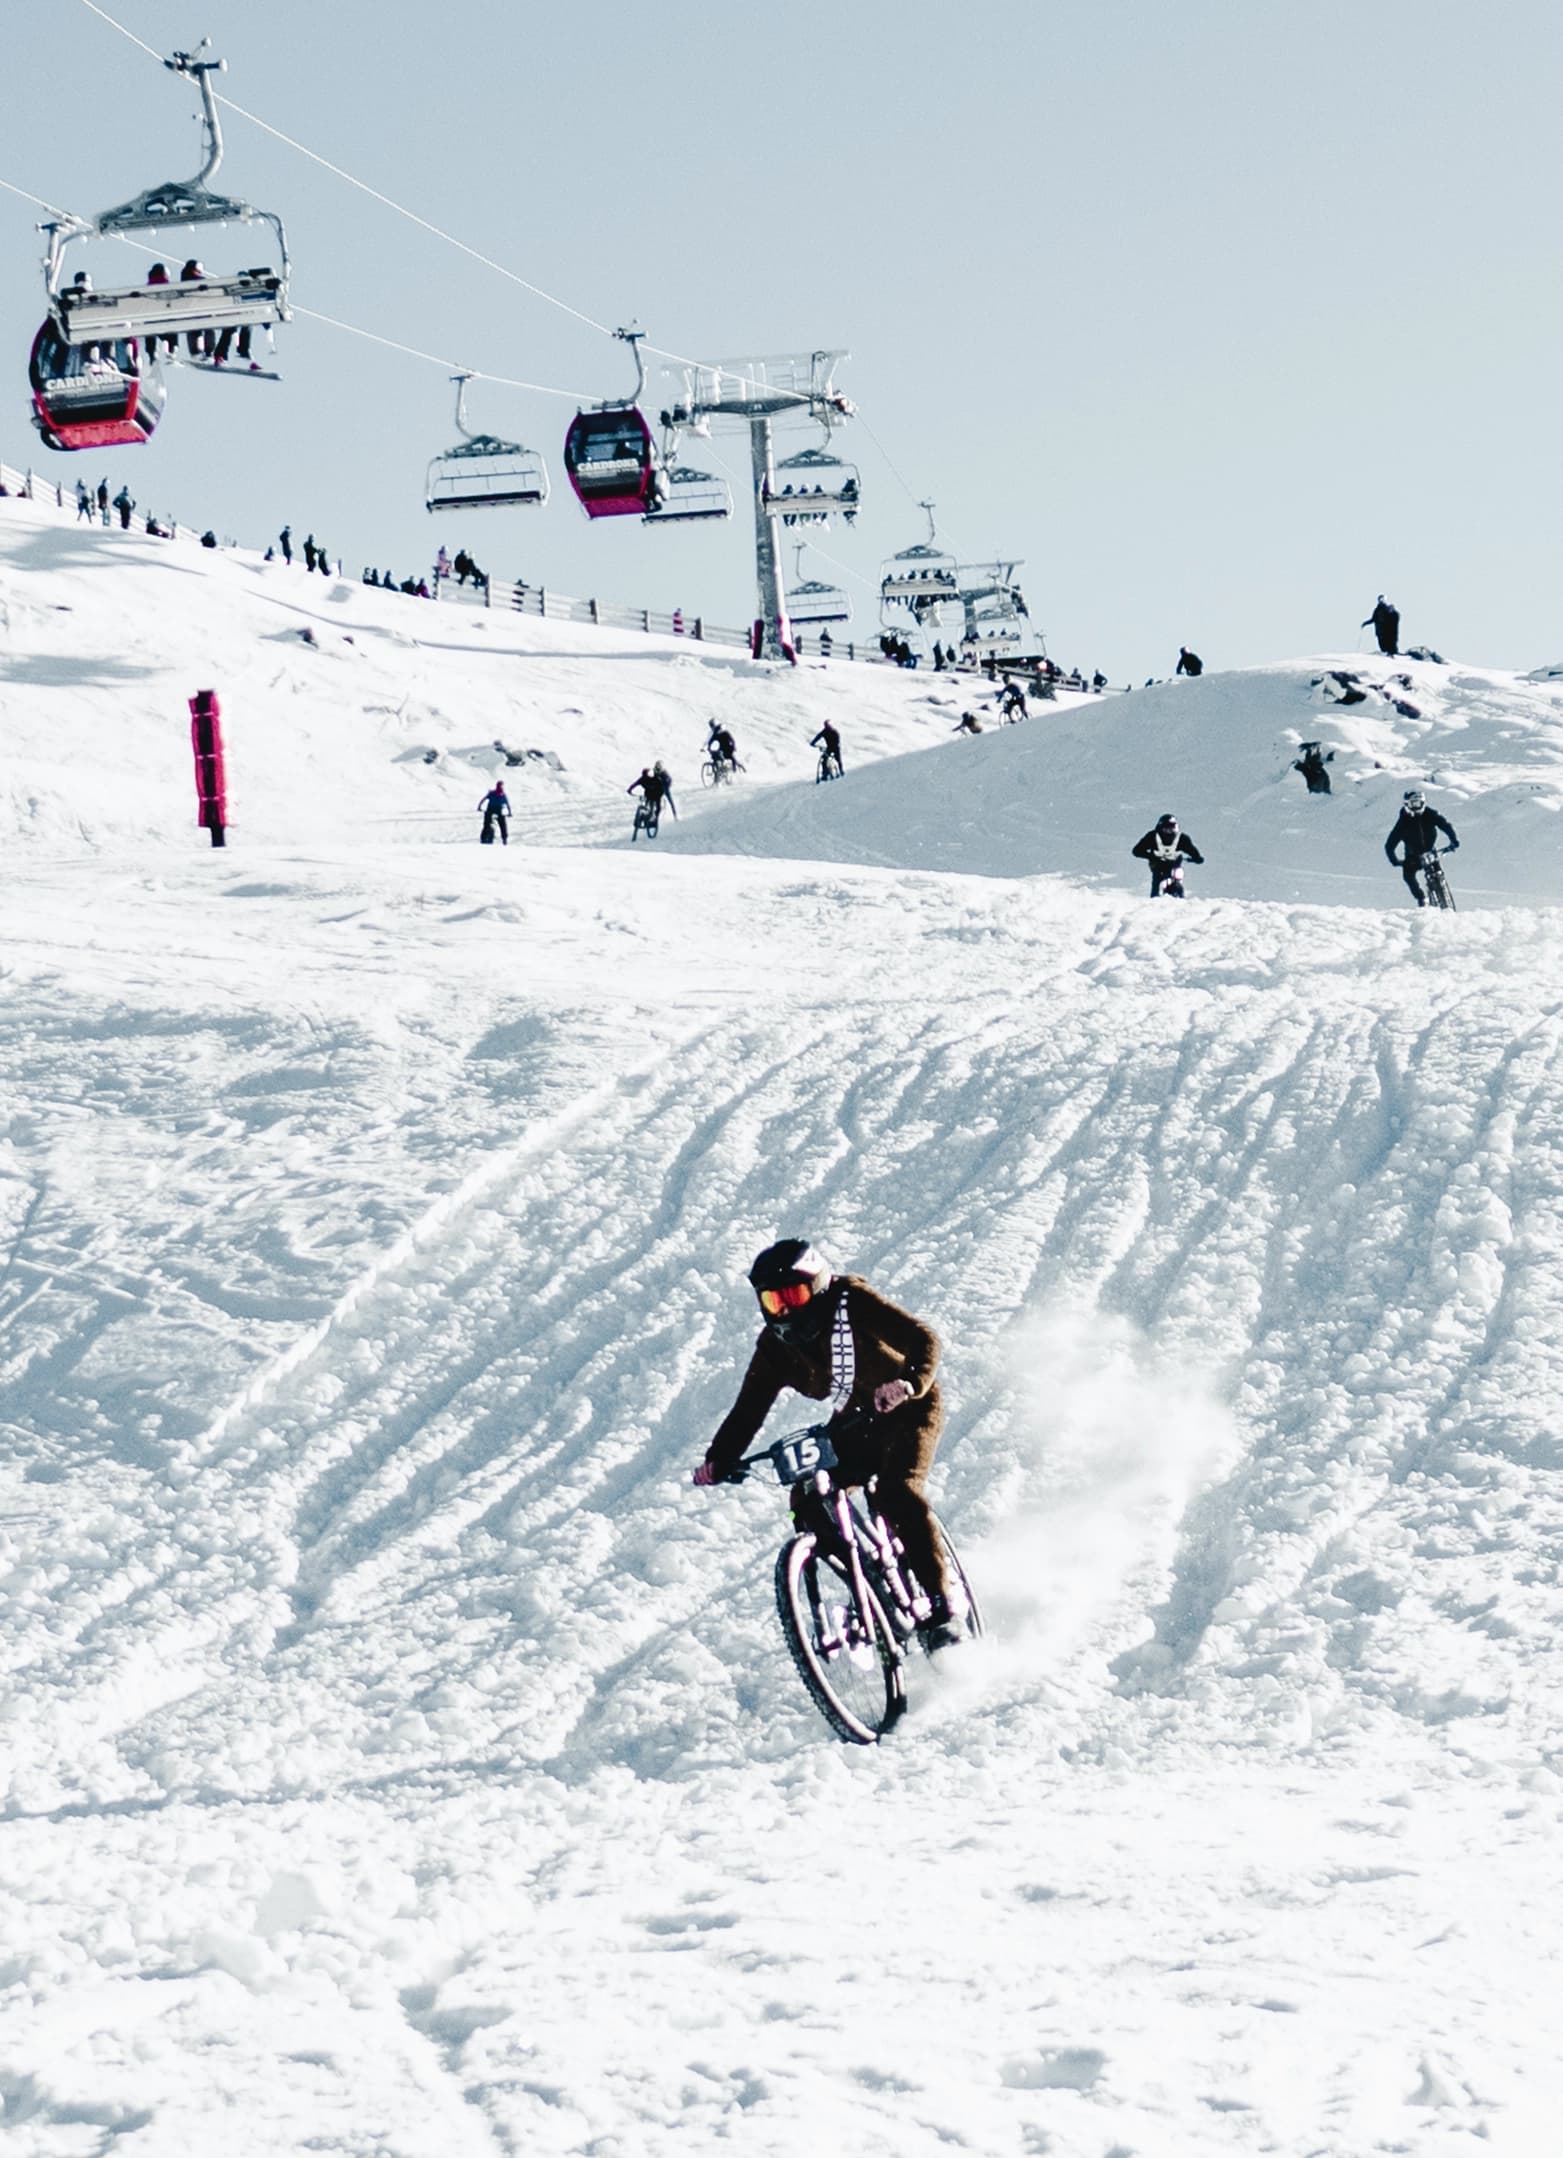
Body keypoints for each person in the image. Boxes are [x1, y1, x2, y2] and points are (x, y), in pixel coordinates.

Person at [692, 1239, 963, 1650]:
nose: (785, 1311)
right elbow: (748, 1410)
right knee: (805, 1497)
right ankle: (866, 1584)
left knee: (896, 1492)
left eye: (794, 1296)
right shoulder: (775, 1348)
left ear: (817, 1287)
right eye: (773, 1302)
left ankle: (944, 1610)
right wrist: (719, 1459)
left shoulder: (851, 1301)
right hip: (857, 1419)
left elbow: (923, 1339)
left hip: (909, 1409)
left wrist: (908, 1383)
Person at [1384, 788, 1457, 906]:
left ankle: (1443, 891)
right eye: (1413, 804)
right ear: (1407, 804)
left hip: (1430, 853)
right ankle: (1421, 898)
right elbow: (1389, 845)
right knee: (1408, 876)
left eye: (1419, 803)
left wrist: (1454, 840)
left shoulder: (1430, 814)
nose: (1417, 807)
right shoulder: (1403, 822)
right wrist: (1395, 861)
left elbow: (1445, 825)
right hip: (1413, 856)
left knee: (1437, 873)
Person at [1132, 811, 1205, 897]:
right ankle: (1154, 898)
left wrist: (1197, 858)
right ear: (1160, 828)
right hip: (1157, 863)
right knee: (1157, 879)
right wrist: (1151, 856)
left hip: (1175, 863)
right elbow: (1136, 851)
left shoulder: (1182, 839)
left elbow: (1192, 850)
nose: (1169, 831)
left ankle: (1180, 898)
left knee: (1177, 876)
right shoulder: (1152, 837)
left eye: (1171, 828)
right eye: (1166, 829)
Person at [478, 780, 510, 845]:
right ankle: (504, 839)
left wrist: (479, 807)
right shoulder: (498, 794)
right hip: (493, 810)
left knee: (500, 824)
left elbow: (483, 800)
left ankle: (504, 839)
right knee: (499, 824)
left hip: (493, 810)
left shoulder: (497, 794)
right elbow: (507, 804)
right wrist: (509, 812)